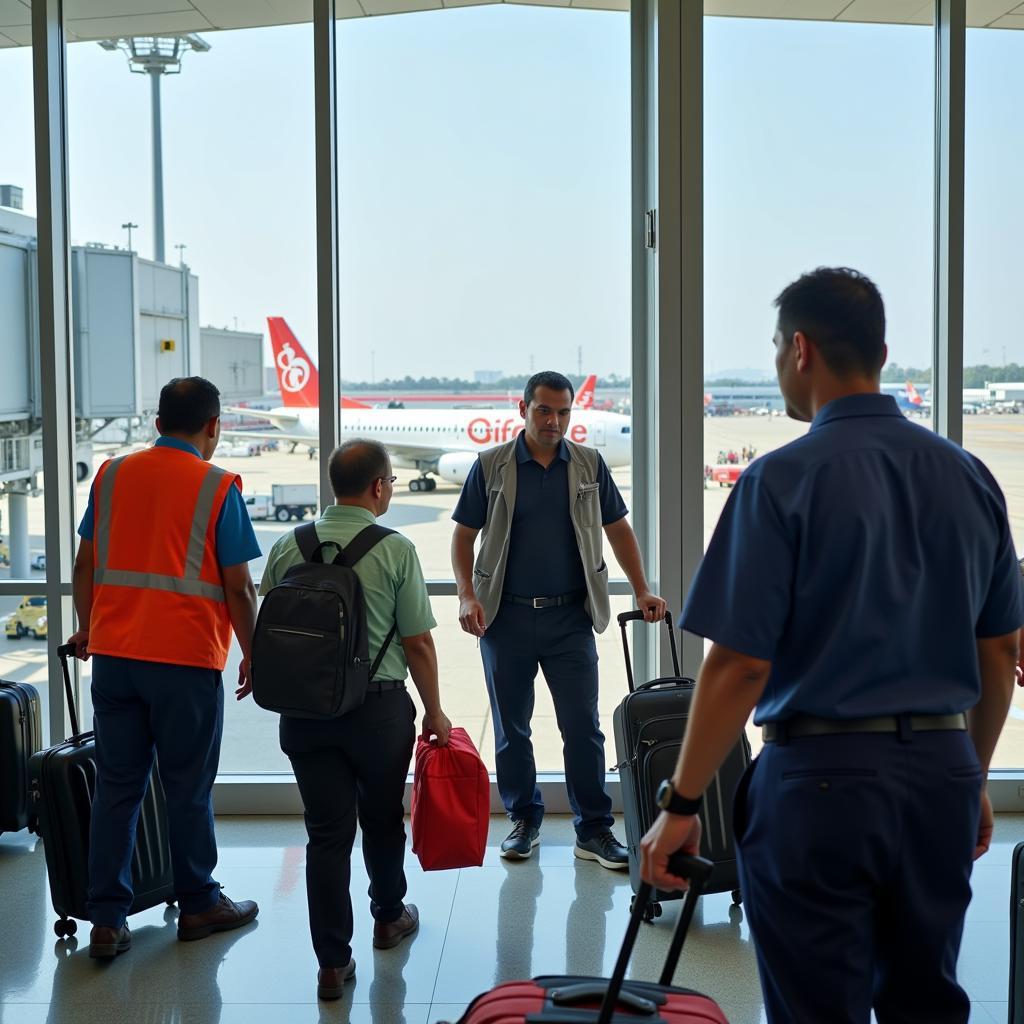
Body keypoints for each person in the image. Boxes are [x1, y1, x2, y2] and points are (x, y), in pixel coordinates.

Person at [639, 267, 1023, 1024]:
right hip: (942, 775)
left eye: (777, 346)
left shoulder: (778, 482)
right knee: (926, 1000)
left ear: (802, 349)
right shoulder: (970, 476)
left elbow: (741, 663)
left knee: (818, 1007)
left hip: (820, 782)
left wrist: (681, 804)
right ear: (879, 353)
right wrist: (967, 773)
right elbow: (1002, 650)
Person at [67, 377, 261, 960]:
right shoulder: (217, 486)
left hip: (117, 659)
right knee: (187, 789)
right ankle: (199, 901)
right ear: (213, 427)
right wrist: (254, 653)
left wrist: (89, 625)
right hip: (184, 661)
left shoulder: (111, 475)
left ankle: (106, 919)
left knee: (117, 789)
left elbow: (85, 564)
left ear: (156, 423)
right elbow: (239, 587)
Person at [260, 439, 451, 1001]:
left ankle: (331, 961)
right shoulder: (395, 550)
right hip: (378, 711)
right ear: (378, 486)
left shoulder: (287, 546)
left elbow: (272, 628)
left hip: (305, 712)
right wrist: (435, 712)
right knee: (383, 818)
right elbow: (418, 642)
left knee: (325, 833)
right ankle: (388, 916)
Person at [451, 370, 666, 868]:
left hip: (570, 617)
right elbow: (463, 536)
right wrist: (466, 595)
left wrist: (642, 589)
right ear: (523, 409)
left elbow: (618, 529)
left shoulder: (588, 464)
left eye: (563, 412)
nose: (554, 421)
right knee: (512, 729)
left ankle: (593, 829)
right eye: (544, 410)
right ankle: (523, 821)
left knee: (583, 728)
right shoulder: (493, 466)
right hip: (505, 618)